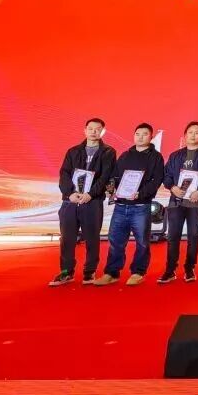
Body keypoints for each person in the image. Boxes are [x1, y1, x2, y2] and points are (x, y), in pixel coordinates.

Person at [94, 123, 165, 286]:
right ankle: (111, 273)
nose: (140, 137)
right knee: (115, 241)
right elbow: (115, 177)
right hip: (121, 206)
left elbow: (157, 180)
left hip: (141, 206)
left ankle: (138, 272)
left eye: (145, 134)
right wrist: (111, 190)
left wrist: (141, 193)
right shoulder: (125, 155)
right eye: (137, 134)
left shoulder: (156, 157)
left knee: (142, 242)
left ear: (151, 137)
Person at [49, 118, 117, 287]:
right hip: (70, 202)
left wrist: (91, 194)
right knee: (67, 238)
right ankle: (66, 272)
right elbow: (64, 174)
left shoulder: (108, 152)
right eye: (90, 128)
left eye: (98, 129)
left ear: (102, 132)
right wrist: (70, 193)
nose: (94, 131)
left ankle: (89, 271)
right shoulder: (73, 151)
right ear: (85, 130)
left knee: (92, 238)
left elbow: (105, 176)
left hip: (92, 202)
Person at [158, 121, 198, 284]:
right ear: (185, 135)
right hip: (176, 201)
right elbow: (167, 175)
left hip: (196, 201)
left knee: (193, 236)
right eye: (190, 132)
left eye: (197, 132)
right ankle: (170, 270)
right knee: (173, 236)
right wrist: (172, 187)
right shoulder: (175, 155)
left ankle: (190, 268)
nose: (193, 135)